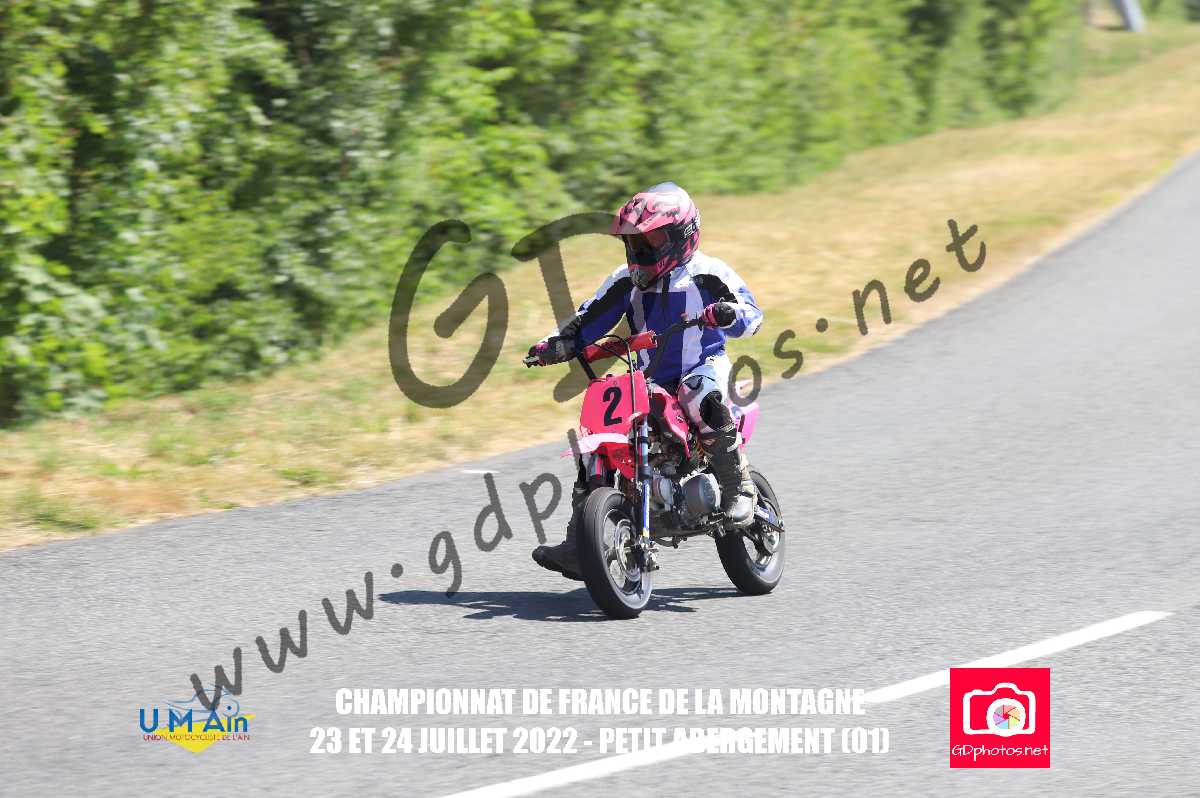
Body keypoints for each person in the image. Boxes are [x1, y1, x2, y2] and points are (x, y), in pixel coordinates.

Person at [526, 182, 764, 580]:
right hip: (649, 381)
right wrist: (555, 344)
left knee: (697, 392)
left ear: (682, 236)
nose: (641, 250)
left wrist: (727, 314)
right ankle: (581, 541)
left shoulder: (708, 273)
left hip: (704, 367)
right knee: (594, 439)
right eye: (635, 242)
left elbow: (752, 314)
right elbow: (588, 318)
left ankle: (738, 486)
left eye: (651, 241)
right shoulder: (625, 280)